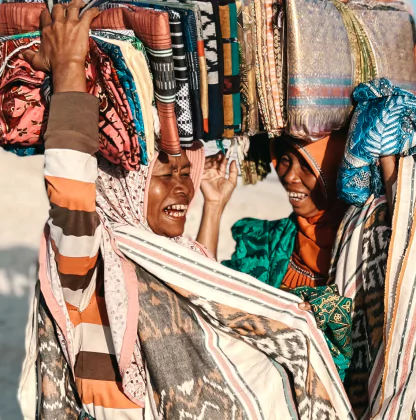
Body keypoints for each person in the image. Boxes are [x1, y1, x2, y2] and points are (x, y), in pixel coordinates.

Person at [18, 2, 353, 419]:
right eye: (164, 173)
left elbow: (204, 301)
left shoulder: (166, 256)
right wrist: (69, 68)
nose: (183, 186)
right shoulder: (90, 260)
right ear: (127, 182)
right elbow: (70, 187)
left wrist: (212, 208)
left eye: (185, 172)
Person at [222, 132, 348, 290]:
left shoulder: (362, 249)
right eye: (285, 161)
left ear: (335, 173)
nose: (289, 177)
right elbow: (218, 294)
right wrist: (213, 205)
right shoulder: (262, 239)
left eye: (306, 166)